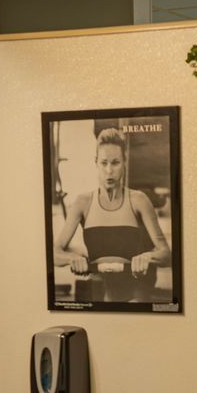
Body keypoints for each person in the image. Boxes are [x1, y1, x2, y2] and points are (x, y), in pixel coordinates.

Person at [51, 127, 170, 302]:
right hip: (99, 288)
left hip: (134, 289)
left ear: (124, 162)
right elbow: (54, 253)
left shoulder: (139, 200)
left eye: (115, 163)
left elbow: (166, 254)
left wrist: (148, 256)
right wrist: (73, 258)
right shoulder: (82, 202)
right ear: (96, 162)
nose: (109, 170)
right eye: (104, 163)